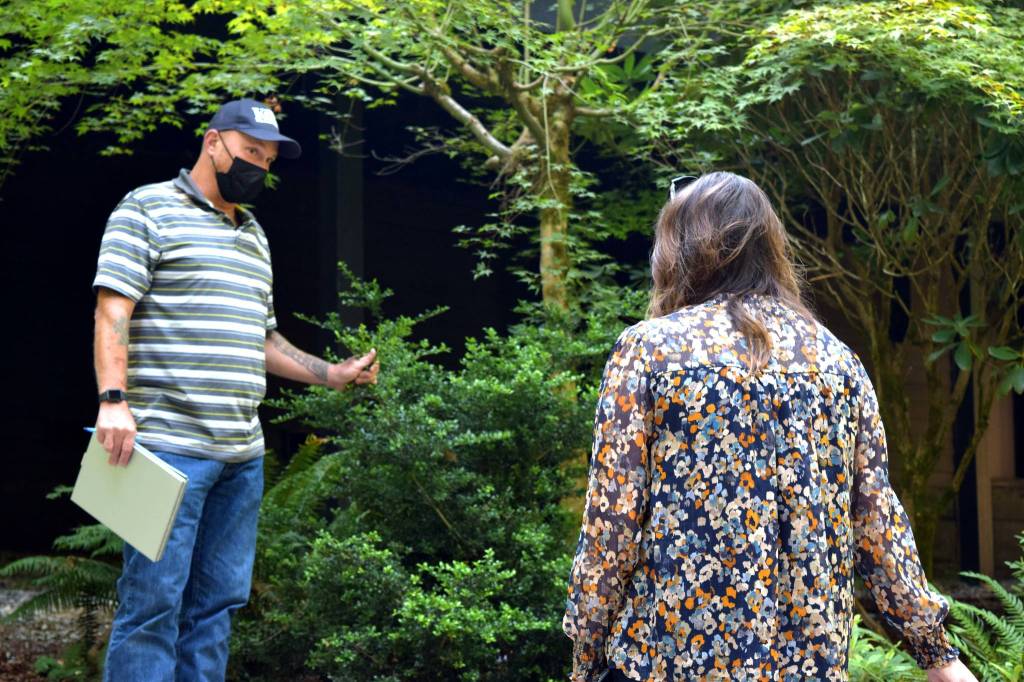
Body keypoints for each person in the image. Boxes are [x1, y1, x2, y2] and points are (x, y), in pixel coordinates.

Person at [562, 172, 977, 681]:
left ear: (680, 250)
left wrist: (586, 654)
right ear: (769, 247)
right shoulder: (836, 360)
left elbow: (611, 526)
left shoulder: (649, 352)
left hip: (669, 663)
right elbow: (876, 520)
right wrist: (935, 651)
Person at [92, 98, 380, 681]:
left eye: (268, 160)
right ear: (213, 141)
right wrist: (113, 401)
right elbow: (111, 311)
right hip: (163, 449)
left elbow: (263, 340)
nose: (259, 168)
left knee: (216, 611)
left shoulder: (253, 235)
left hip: (239, 459)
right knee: (151, 609)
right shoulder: (146, 208)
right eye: (251, 152)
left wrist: (332, 374)